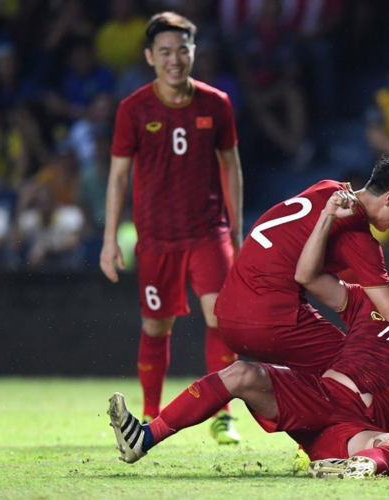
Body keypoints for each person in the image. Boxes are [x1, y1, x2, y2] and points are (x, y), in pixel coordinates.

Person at [108, 190, 389, 479]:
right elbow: (308, 277)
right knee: (242, 373)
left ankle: (359, 466)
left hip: (354, 428)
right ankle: (145, 436)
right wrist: (327, 218)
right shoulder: (367, 300)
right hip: (317, 398)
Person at [99, 12, 244, 444]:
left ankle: (222, 414)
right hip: (157, 237)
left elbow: (231, 166)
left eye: (183, 49)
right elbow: (119, 177)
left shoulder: (216, 103)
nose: (175, 59)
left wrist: (235, 231)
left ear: (194, 52)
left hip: (208, 232)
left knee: (221, 317)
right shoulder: (134, 109)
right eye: (165, 51)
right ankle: (148, 415)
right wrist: (110, 240)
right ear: (149, 56)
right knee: (156, 326)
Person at [215, 152, 389, 378]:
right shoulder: (358, 237)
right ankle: (341, 436)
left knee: (322, 374)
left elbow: (354, 290)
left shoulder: (327, 188)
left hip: (227, 317)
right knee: (357, 370)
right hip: (269, 321)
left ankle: (241, 384)